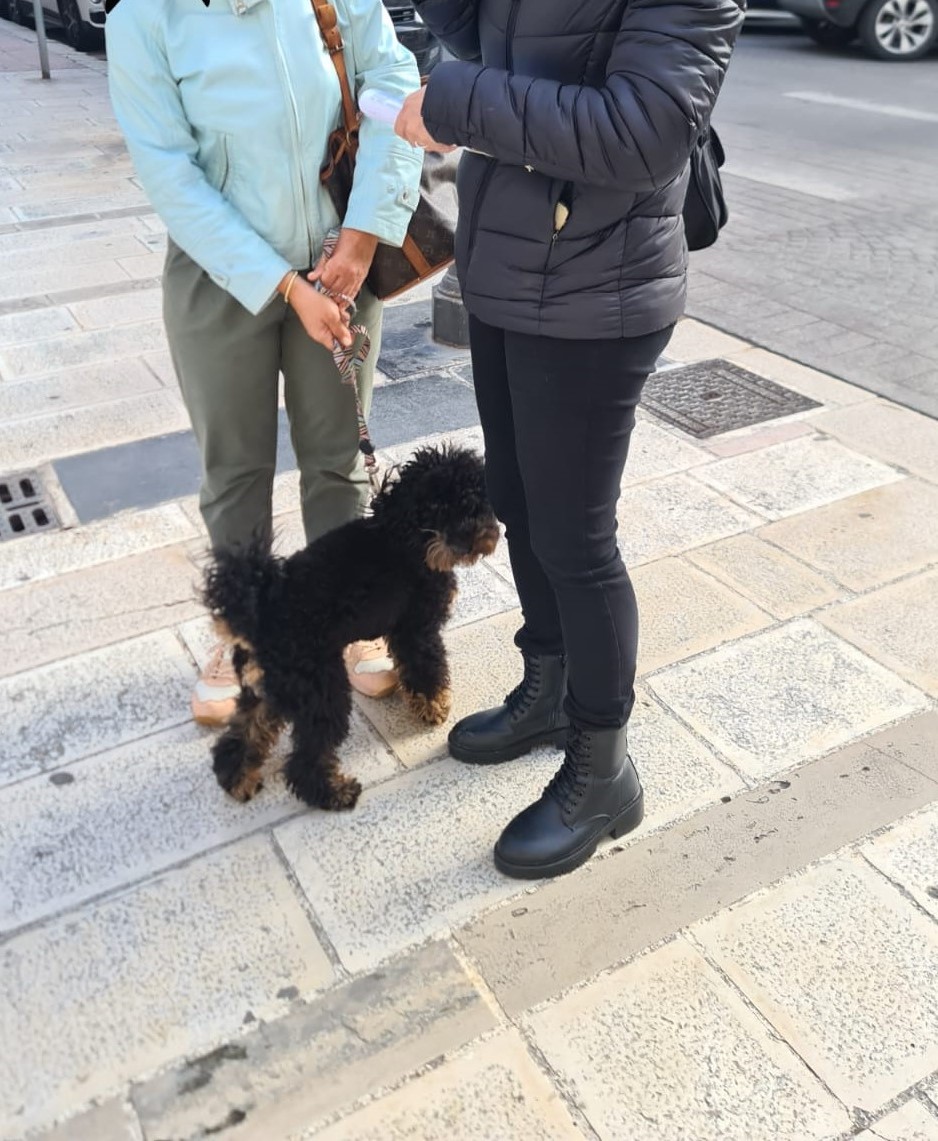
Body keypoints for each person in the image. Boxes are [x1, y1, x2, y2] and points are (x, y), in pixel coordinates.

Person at [394, 0, 743, 879]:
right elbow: (490, 37)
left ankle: (602, 766)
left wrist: (456, 101)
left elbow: (646, 131)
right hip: (511, 263)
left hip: (600, 285)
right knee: (516, 501)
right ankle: (547, 688)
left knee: (575, 538)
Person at [106, 0, 423, 726]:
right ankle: (243, 630)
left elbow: (391, 82)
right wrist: (281, 285)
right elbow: (169, 172)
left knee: (338, 455)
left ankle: (346, 615)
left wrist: (363, 238)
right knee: (236, 467)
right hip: (219, 275)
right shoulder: (144, 18)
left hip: (339, 261)